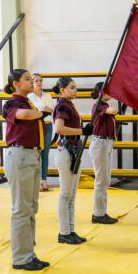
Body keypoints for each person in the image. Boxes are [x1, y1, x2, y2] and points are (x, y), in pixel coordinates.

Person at [2, 69, 51, 270]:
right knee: (22, 209)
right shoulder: (13, 103)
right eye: (27, 79)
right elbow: (22, 115)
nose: (31, 82)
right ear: (15, 83)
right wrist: (42, 113)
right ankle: (21, 258)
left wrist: (40, 112)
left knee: (31, 208)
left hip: (32, 155)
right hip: (20, 155)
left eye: (32, 79)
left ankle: (29, 253)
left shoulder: (29, 102)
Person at [53, 77, 93, 244]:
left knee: (71, 195)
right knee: (65, 194)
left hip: (73, 151)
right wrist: (81, 130)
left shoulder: (68, 105)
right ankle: (64, 232)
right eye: (72, 87)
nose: (75, 90)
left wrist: (81, 131)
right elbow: (59, 128)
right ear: (62, 89)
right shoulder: (62, 106)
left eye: (76, 87)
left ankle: (69, 230)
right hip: (66, 150)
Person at [89, 82, 119, 224]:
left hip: (106, 143)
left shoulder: (103, 105)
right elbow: (112, 111)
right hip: (100, 143)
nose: (111, 93)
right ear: (102, 92)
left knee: (105, 179)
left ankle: (101, 211)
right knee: (101, 180)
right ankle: (98, 214)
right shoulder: (99, 105)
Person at [28, 73, 54, 191]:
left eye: (40, 80)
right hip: (37, 126)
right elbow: (39, 111)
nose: (39, 82)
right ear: (32, 82)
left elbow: (50, 110)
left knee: (45, 153)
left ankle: (44, 180)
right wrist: (43, 110)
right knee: (36, 153)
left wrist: (41, 110)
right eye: (36, 80)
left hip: (48, 126)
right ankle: (36, 181)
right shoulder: (29, 96)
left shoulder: (47, 95)